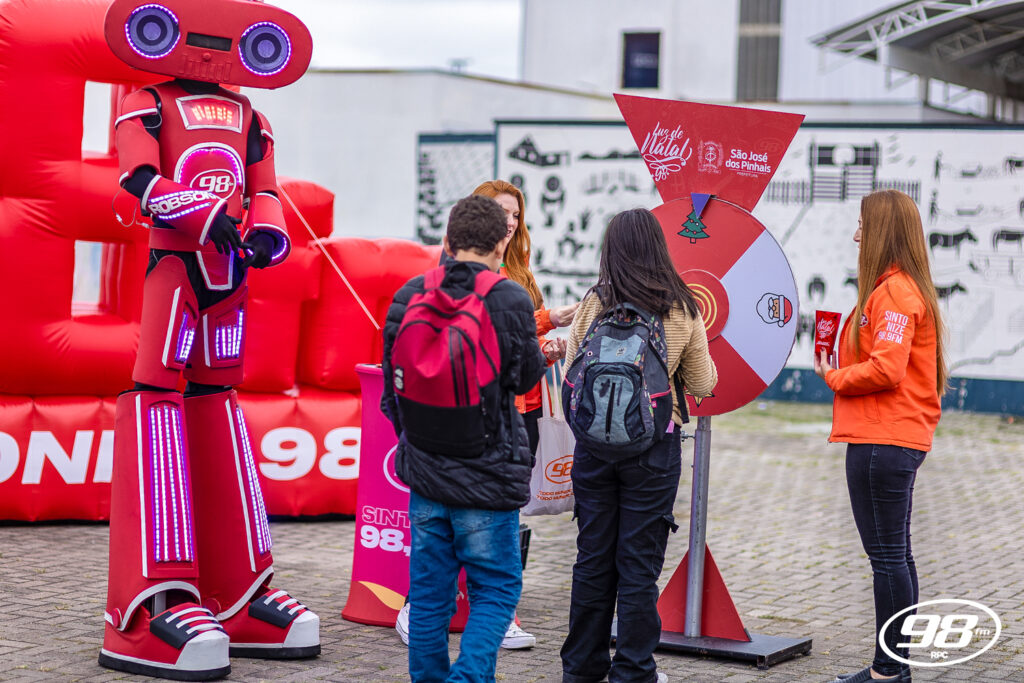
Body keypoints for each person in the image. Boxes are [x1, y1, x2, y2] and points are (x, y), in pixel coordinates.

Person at [99, 3, 318, 679]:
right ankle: (150, 602)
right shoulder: (147, 102)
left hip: (230, 274)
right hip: (175, 266)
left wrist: (265, 232)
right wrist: (203, 212)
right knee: (156, 403)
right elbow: (138, 179)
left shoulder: (250, 115)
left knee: (217, 405)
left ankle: (240, 591)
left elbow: (266, 188)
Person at [395, 179, 578, 650]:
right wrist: (545, 338)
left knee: (470, 540)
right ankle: (467, 622)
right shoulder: (478, 286)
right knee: (481, 555)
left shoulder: (514, 272)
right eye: (501, 214)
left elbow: (393, 383)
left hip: (506, 416)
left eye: (516, 215)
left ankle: (463, 620)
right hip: (482, 424)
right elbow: (511, 352)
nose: (509, 223)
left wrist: (544, 339)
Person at [560, 208, 718, 683]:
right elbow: (703, 383)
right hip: (653, 451)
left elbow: (571, 372)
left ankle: (582, 668)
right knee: (638, 565)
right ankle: (632, 671)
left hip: (593, 449)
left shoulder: (595, 302)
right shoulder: (681, 305)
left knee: (592, 558)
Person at [815, 190, 946, 683]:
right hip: (895, 438)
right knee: (897, 557)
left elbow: (887, 369)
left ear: (882, 233)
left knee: (888, 560)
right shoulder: (903, 288)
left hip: (882, 441)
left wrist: (833, 376)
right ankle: (893, 668)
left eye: (862, 226)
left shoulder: (893, 293)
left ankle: (888, 671)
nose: (856, 236)